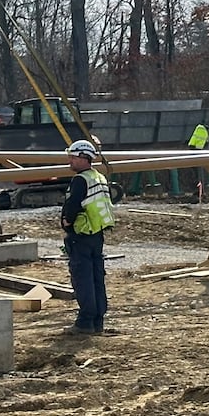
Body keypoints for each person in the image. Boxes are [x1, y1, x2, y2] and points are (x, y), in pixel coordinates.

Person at [60, 138, 117, 334]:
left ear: (85, 158)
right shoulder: (98, 177)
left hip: (81, 235)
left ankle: (85, 322)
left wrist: (67, 221)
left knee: (83, 278)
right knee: (96, 278)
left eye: (73, 157)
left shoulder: (80, 180)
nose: (70, 160)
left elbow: (73, 204)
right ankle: (97, 321)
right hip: (96, 234)